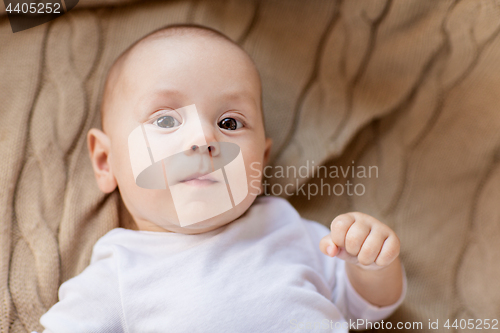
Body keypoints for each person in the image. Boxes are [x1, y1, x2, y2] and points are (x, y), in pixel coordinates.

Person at [38, 23, 406, 332]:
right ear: (105, 161)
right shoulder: (121, 271)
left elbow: (370, 309)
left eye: (229, 122)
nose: (204, 139)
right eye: (166, 120)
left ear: (259, 163)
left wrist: (372, 265)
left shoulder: (289, 228)